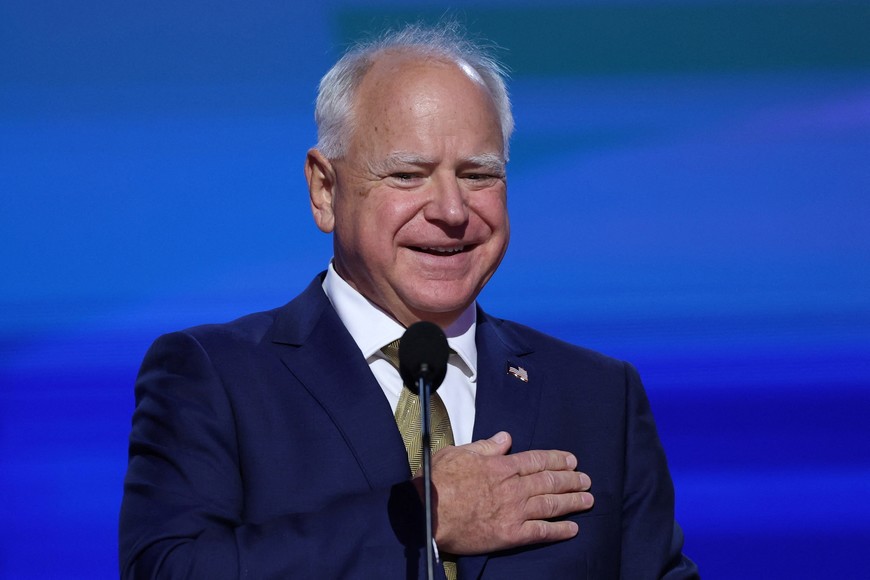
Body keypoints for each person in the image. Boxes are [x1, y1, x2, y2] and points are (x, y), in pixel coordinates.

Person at [119, 23, 698, 579]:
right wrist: (420, 516)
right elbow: (172, 570)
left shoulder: (598, 396)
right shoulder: (217, 377)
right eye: (408, 175)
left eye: (478, 175)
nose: (451, 210)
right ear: (325, 190)